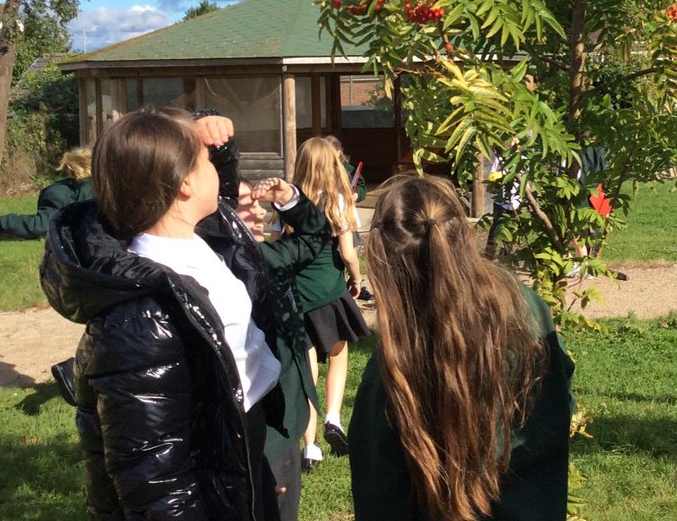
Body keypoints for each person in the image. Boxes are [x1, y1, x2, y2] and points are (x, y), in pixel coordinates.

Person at [40, 107, 312, 521]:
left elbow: (216, 197)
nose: (215, 169)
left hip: (238, 445)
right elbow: (153, 475)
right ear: (184, 183)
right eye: (203, 161)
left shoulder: (197, 238)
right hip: (204, 481)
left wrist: (212, 143)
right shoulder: (144, 316)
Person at [348, 174, 575, 521]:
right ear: (464, 235)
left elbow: (378, 489)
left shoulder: (392, 368)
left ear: (384, 261)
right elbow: (559, 399)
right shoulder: (525, 309)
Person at [236, 177, 330, 521]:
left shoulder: (269, 257)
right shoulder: (219, 273)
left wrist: (290, 199)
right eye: (244, 206)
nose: (258, 212)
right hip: (262, 429)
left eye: (258, 203)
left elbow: (316, 236)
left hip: (289, 418)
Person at [291, 135, 370, 470]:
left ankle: (310, 448)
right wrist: (356, 279)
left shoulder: (290, 198)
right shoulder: (338, 199)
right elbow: (348, 252)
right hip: (328, 288)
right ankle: (333, 418)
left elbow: (279, 239)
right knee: (338, 354)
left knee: (306, 370)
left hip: (297, 291)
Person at [0, 147, 93, 238]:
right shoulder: (103, 188)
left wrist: (2, 222)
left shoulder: (59, 191)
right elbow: (41, 226)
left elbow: (40, 226)